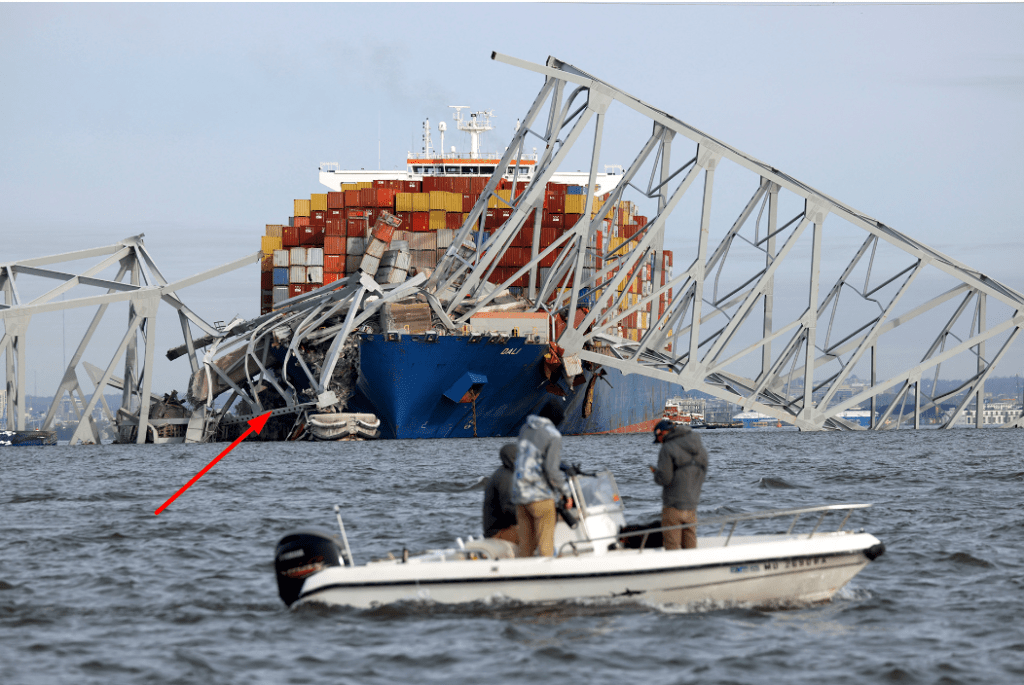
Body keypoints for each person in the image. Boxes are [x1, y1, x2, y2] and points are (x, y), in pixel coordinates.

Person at [512, 415, 573, 557]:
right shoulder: (554, 435)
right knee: (546, 544)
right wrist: (566, 492)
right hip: (540, 496)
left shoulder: (525, 428)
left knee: (526, 545)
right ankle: (548, 577)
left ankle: (522, 576)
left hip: (520, 495)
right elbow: (551, 470)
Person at [650, 418, 708, 550]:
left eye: (658, 439)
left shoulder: (667, 448)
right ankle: (693, 569)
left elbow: (665, 478)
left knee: (672, 546)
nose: (659, 443)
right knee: (690, 546)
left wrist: (656, 473)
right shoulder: (699, 446)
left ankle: (675, 570)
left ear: (663, 433)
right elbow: (702, 473)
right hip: (692, 505)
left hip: (673, 506)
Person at [482, 443, 519, 543]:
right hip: (498, 533)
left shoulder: (504, 473)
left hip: (500, 529)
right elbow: (508, 509)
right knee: (536, 531)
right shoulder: (506, 478)